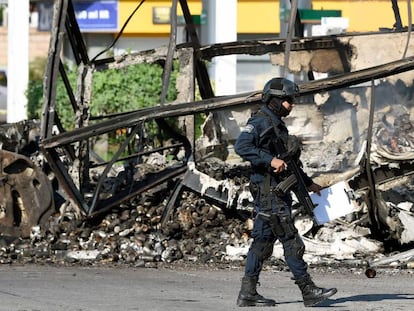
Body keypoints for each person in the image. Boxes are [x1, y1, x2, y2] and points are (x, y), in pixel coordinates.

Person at [234, 77, 337, 307]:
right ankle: (308, 290)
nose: (291, 104)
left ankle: (247, 293)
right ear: (274, 100)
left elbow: (289, 163)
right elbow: (241, 146)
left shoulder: (277, 124)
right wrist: (269, 160)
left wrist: (309, 184)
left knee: (261, 244)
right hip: (271, 193)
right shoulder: (261, 121)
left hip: (273, 193)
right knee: (291, 241)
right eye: (288, 100)